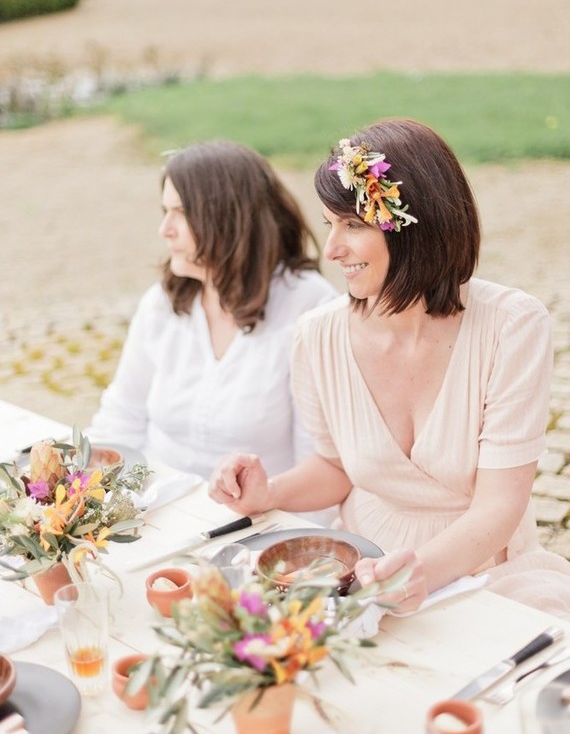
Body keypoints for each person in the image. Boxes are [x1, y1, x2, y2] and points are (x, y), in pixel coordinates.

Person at [208, 118, 570, 619]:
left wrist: (417, 573)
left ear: (415, 226)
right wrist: (268, 494)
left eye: (353, 225)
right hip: (358, 564)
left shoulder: (512, 326)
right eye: (330, 224)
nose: (331, 249)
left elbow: (499, 506)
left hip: (483, 566)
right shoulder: (317, 335)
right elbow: (336, 468)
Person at [88, 140, 339, 517]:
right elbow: (121, 418)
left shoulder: (309, 309)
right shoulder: (162, 303)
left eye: (181, 213)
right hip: (153, 511)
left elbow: (321, 464)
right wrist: (94, 504)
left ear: (228, 218)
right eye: (165, 212)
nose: (164, 229)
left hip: (258, 525)